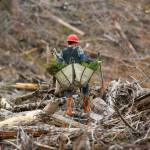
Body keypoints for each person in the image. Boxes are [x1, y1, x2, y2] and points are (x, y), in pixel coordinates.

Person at [57, 34, 91, 116]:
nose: (77, 44)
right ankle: (86, 109)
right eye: (77, 43)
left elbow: (58, 62)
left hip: (68, 76)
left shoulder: (63, 51)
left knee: (68, 90)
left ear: (68, 42)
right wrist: (91, 61)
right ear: (75, 43)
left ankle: (68, 110)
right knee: (85, 85)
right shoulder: (78, 50)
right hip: (77, 75)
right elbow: (84, 59)